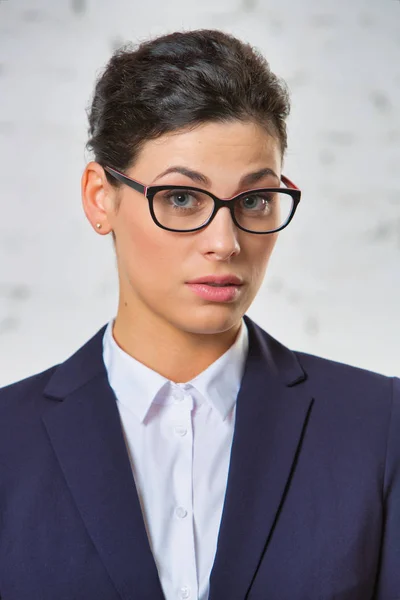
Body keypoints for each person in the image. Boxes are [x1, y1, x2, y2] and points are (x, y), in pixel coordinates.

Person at [0, 29, 398, 600]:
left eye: (255, 201)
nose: (225, 242)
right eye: (182, 198)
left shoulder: (378, 429)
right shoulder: (8, 442)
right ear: (100, 198)